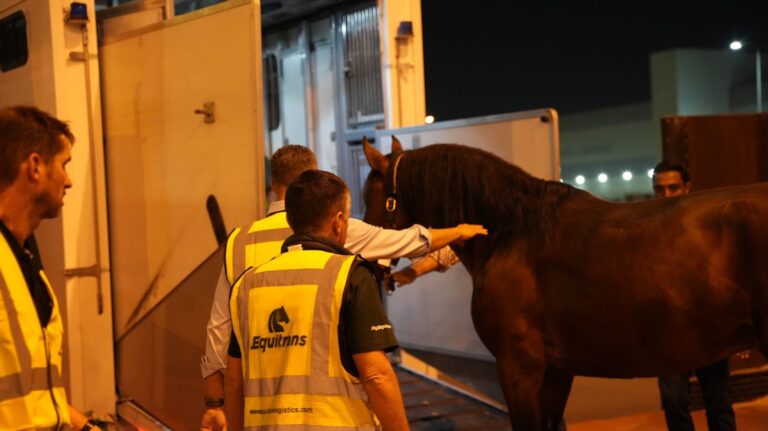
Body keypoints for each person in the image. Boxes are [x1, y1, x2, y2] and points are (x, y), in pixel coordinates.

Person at [200, 145, 485, 430]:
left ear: (274, 185)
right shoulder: (347, 261)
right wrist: (458, 231)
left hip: (263, 413)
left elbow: (219, 330)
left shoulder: (239, 246)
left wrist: (214, 402)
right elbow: (408, 241)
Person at [226, 169, 409, 430]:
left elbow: (233, 381)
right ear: (338, 221)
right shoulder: (349, 275)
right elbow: (376, 375)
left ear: (291, 220)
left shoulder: (247, 285)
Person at [0, 106, 97, 430]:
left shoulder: (25, 257)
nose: (68, 181)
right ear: (35, 167)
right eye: (64, 164)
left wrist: (85, 427)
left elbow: (33, 392)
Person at [653, 161, 736, 431]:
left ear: (687, 188)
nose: (666, 195)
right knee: (673, 401)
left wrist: (741, 330)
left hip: (711, 330)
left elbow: (731, 277)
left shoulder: (710, 227)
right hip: (669, 333)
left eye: (673, 188)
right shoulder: (648, 233)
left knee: (718, 403)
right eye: (659, 189)